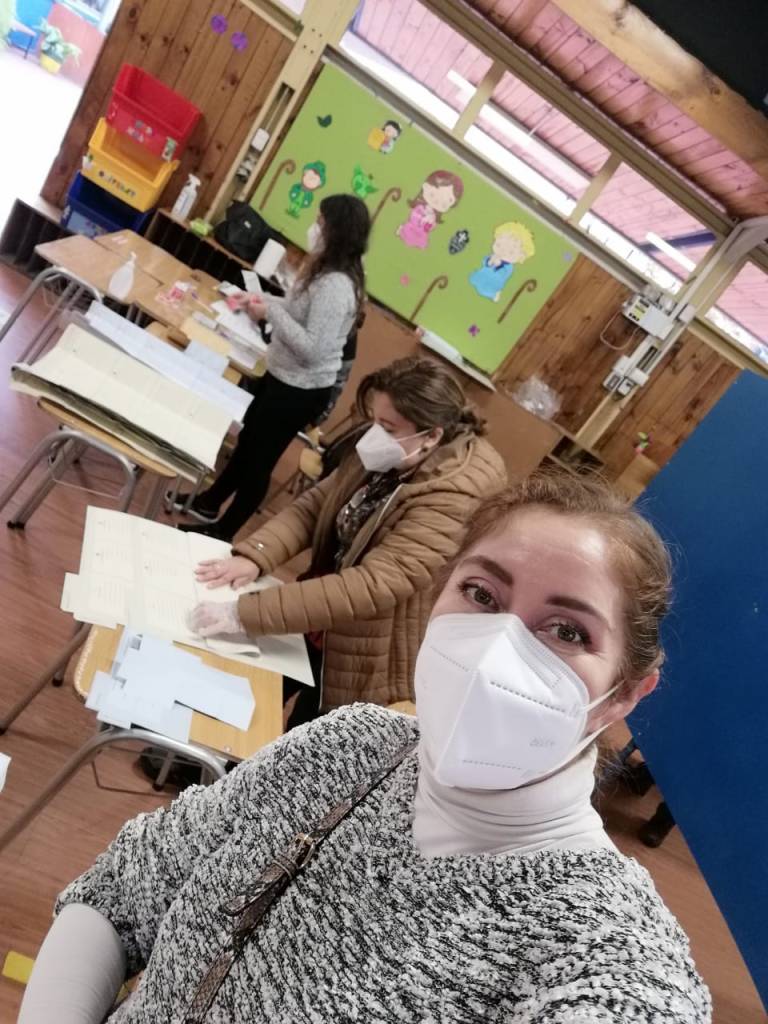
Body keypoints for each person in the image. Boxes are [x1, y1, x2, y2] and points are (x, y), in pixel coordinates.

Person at [18, 471, 710, 1023]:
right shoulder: (351, 745)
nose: (499, 648)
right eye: (480, 593)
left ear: (623, 694)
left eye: (567, 632)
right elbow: (125, 891)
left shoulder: (603, 948)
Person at [189, 355, 505, 726]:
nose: (375, 435)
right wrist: (256, 555)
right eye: (375, 420)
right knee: (246, 699)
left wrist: (244, 613)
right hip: (321, 610)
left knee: (300, 737)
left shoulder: (455, 496)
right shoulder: (394, 449)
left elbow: (371, 585)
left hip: (367, 648)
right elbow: (318, 504)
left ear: (432, 436)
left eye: (388, 427)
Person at [174, 192, 370, 542]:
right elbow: (297, 308)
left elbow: (312, 348)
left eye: (320, 222)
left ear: (336, 231)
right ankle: (210, 502)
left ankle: (223, 532)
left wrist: (271, 313)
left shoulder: (337, 286)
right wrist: (260, 300)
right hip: (283, 377)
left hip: (300, 389)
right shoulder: (325, 270)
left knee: (259, 462)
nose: (314, 228)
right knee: (247, 442)